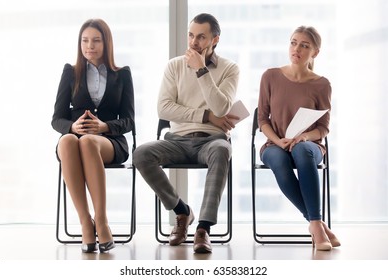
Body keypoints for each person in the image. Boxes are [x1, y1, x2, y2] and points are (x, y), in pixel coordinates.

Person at [133, 13, 239, 254]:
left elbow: (222, 106)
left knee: (223, 150)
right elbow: (164, 108)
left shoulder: (230, 69)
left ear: (215, 40)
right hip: (177, 140)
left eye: (201, 37)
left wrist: (202, 70)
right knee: (141, 154)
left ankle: (203, 229)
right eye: (191, 35)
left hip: (211, 141)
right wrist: (206, 116)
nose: (194, 42)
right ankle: (182, 211)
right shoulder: (174, 66)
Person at [51, 19, 135, 253]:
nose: (90, 46)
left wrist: (103, 127)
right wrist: (72, 127)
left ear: (106, 43)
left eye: (96, 40)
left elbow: (129, 120)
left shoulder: (122, 74)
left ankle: (102, 220)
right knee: (68, 140)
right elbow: (56, 119)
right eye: (85, 41)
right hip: (74, 141)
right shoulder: (70, 72)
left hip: (110, 142)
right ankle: (85, 222)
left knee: (88, 141)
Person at [257, 26, 340, 251]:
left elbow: (323, 128)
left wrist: (304, 137)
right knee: (280, 161)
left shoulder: (322, 85)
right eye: (294, 43)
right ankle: (317, 224)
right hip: (274, 144)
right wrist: (277, 140)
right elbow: (262, 119)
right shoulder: (270, 76)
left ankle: (316, 224)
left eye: (304, 46)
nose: (297, 49)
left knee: (301, 151)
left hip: (309, 145)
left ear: (315, 52)